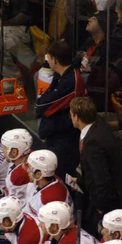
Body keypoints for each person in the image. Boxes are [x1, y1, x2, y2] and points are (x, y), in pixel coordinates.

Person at [69, 97, 122, 236]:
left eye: (71, 114)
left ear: (77, 117)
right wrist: (81, 181)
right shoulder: (97, 126)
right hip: (110, 198)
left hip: (110, 205)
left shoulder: (93, 141)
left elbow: (102, 177)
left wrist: (101, 208)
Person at [35, 40, 87, 179]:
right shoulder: (59, 76)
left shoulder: (71, 80)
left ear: (55, 60)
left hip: (66, 140)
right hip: (55, 136)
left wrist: (40, 106)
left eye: (49, 58)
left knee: (59, 178)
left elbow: (44, 105)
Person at [24, 150, 73, 219]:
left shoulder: (50, 198)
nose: (27, 170)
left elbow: (45, 227)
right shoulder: (51, 180)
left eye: (30, 168)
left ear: (38, 174)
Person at [1, 128, 32, 205]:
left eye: (5, 147)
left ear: (14, 152)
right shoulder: (31, 155)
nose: (2, 150)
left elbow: (14, 205)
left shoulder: (18, 175)